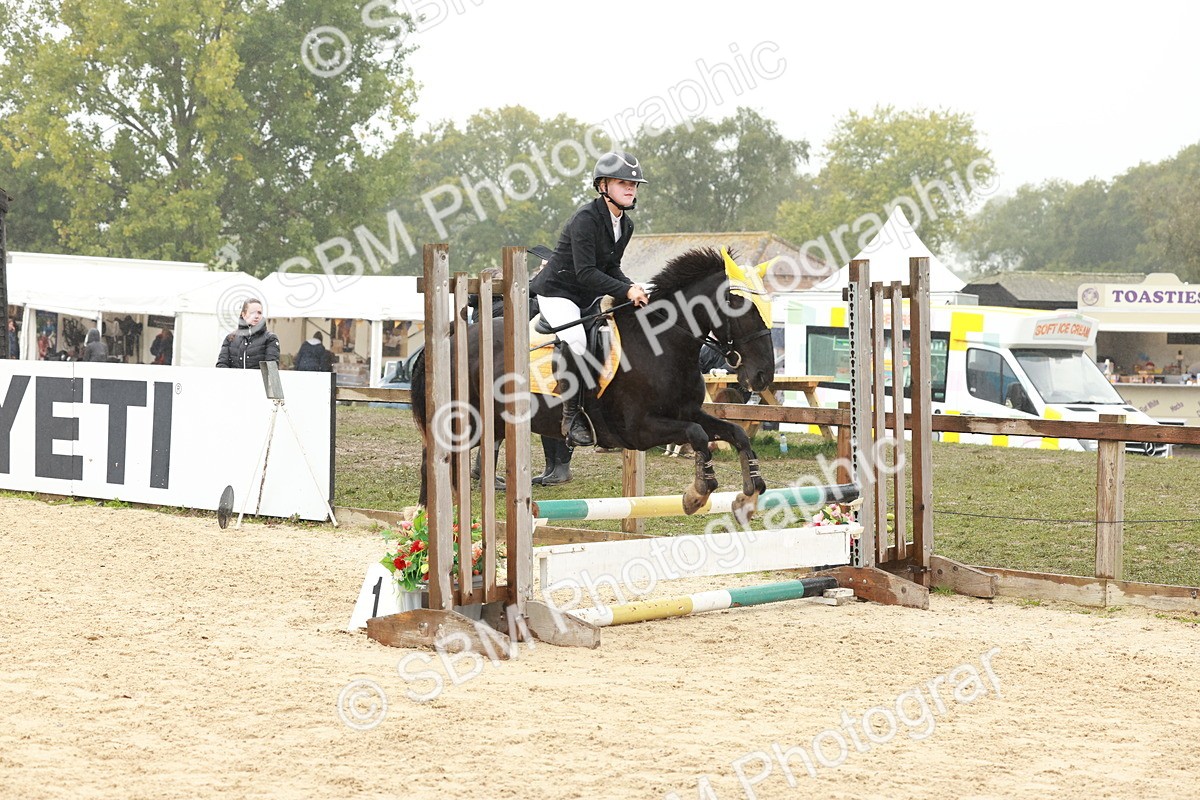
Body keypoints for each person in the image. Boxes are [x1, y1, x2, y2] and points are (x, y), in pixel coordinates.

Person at [529, 151, 650, 447]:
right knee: (577, 340)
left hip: (587, 297)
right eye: (622, 182)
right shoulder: (585, 219)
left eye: (634, 184)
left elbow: (610, 268)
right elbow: (585, 272)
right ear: (603, 186)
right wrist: (625, 290)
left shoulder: (626, 225)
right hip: (558, 293)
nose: (630, 188)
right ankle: (571, 417)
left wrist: (632, 287)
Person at [216, 298, 279, 369]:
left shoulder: (270, 338)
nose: (256, 316)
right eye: (252, 312)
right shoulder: (230, 338)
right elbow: (222, 365)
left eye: (259, 313)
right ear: (243, 314)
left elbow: (271, 369)